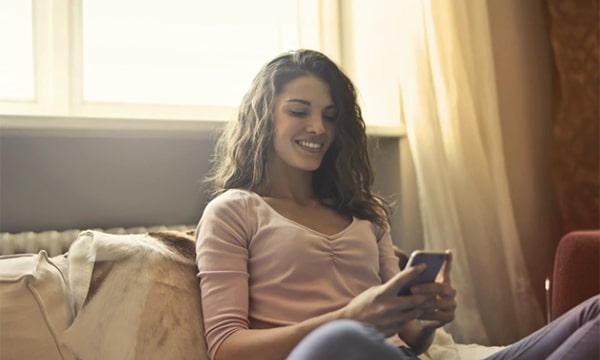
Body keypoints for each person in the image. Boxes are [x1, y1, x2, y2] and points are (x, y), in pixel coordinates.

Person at [195, 49, 599, 360]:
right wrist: (350, 318)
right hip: (330, 351)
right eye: (299, 111)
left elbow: (410, 337)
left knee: (594, 311)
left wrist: (427, 317)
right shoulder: (234, 211)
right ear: (265, 117)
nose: (318, 127)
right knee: (344, 338)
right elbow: (227, 349)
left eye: (330, 116)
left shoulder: (365, 212)